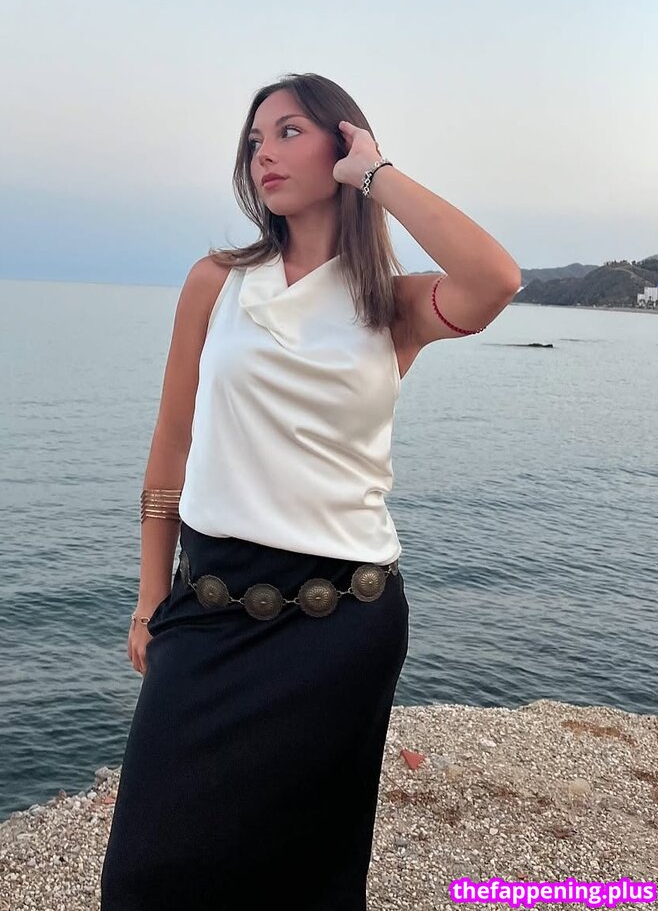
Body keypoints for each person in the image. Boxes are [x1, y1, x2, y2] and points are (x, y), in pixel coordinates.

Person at [100, 71, 521, 910]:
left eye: (290, 131)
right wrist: (150, 600)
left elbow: (496, 279)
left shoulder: (391, 306)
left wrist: (378, 174)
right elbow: (172, 444)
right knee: (145, 875)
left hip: (343, 625)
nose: (265, 153)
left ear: (343, 142)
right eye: (255, 140)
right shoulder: (216, 281)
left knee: (304, 875)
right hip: (209, 608)